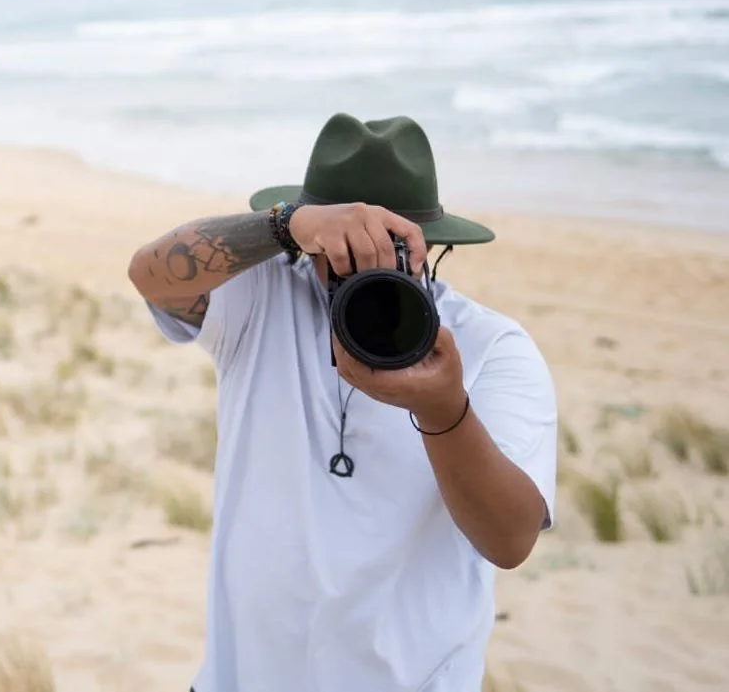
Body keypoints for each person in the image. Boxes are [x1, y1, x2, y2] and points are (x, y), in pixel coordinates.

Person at [128, 113, 558, 692]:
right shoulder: (264, 296)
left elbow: (510, 540)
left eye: (389, 244)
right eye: (346, 246)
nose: (363, 263)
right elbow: (150, 274)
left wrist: (444, 411)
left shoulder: (488, 347)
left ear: (428, 242)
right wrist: (284, 226)